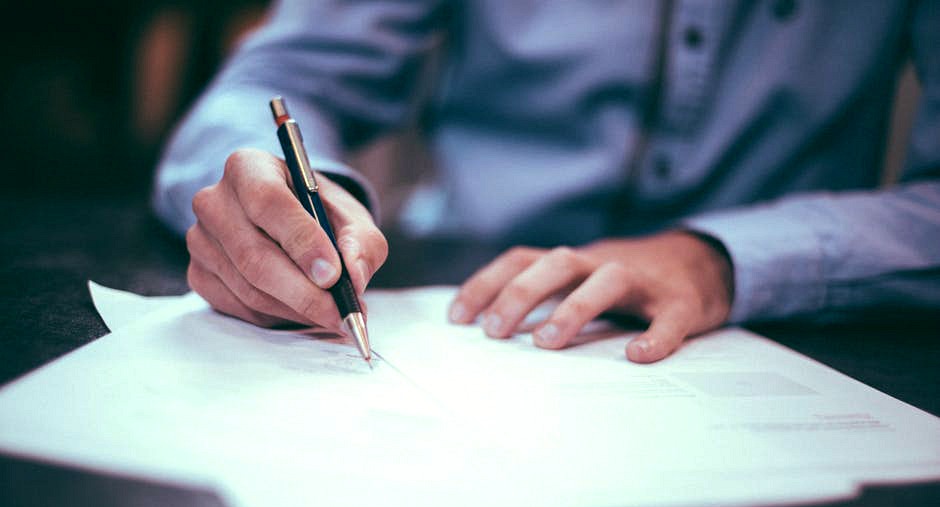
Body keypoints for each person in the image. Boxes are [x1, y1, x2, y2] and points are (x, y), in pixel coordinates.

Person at [153, 1, 940, 363]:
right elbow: (278, 79)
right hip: (464, 301)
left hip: (801, 335)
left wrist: (723, 257)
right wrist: (288, 196)